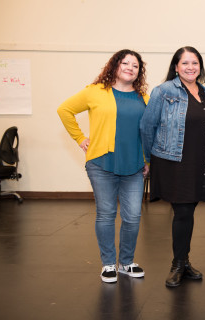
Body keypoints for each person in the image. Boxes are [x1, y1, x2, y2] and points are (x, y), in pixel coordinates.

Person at [57, 49, 149, 283]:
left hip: (135, 165)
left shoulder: (143, 97)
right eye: (125, 63)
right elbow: (64, 110)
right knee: (106, 214)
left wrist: (147, 160)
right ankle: (109, 264)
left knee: (133, 217)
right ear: (115, 66)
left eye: (135, 65)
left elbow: (148, 132)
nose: (130, 67)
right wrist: (80, 138)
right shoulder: (95, 91)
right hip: (102, 163)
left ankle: (126, 262)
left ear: (139, 71)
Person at [140, 46, 205, 288]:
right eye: (185, 63)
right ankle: (177, 264)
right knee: (182, 213)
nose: (190, 67)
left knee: (188, 212)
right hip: (174, 160)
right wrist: (150, 159)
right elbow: (146, 126)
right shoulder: (164, 91)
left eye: (195, 63)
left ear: (200, 66)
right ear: (176, 66)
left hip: (199, 160)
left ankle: (184, 261)